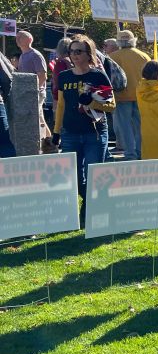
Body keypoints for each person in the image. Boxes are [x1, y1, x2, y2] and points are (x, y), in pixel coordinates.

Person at [53, 35, 116, 220]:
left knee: (93, 173)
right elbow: (61, 106)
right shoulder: (64, 76)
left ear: (89, 54)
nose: (74, 55)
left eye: (79, 51)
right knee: (74, 177)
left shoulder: (97, 75)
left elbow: (111, 105)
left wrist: (92, 103)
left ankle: (88, 211)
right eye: (71, 51)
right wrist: (56, 131)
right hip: (70, 132)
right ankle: (87, 201)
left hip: (94, 133)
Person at [109, 30, 151, 161]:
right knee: (140, 127)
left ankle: (130, 154)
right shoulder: (144, 56)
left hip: (121, 97)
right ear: (134, 40)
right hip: (141, 96)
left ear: (118, 41)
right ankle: (140, 152)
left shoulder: (112, 57)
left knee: (125, 128)